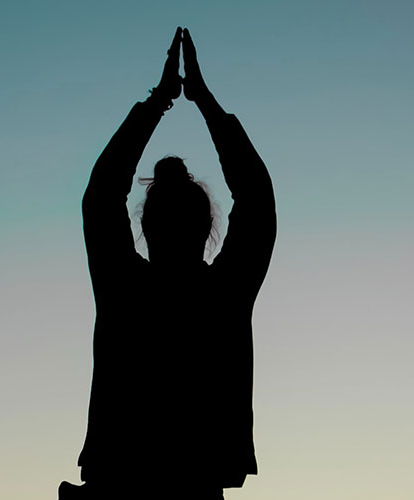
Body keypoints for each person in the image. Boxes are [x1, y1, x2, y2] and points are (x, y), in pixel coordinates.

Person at [59, 27, 276, 500]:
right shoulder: (224, 294)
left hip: (117, 483)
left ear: (145, 224)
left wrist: (160, 101)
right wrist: (203, 101)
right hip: (196, 485)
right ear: (207, 227)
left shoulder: (123, 286)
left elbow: (102, 194)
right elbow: (257, 197)